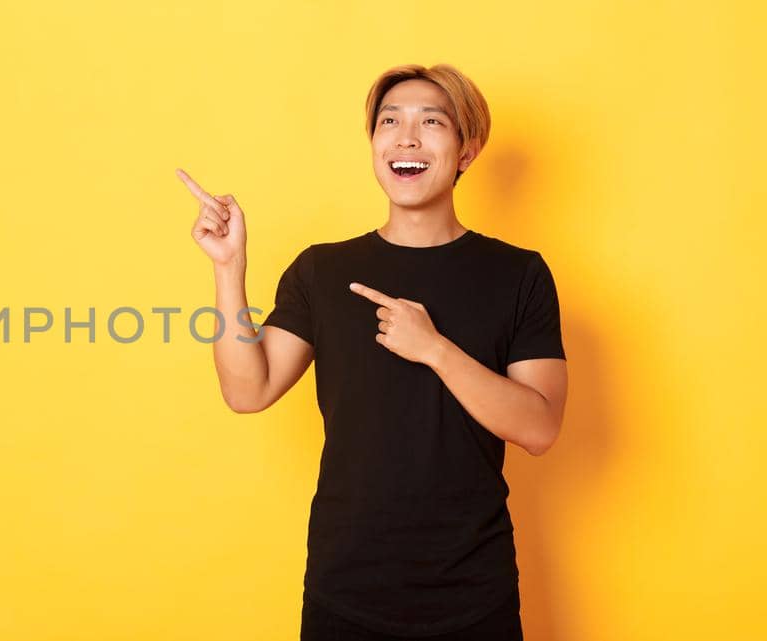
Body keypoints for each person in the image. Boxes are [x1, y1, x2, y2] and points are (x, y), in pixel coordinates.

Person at [175, 63, 568, 640]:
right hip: (346, 589)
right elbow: (246, 390)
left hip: (473, 593)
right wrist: (229, 268)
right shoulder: (322, 270)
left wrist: (435, 349)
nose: (406, 136)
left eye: (431, 122)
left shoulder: (518, 274)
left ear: (466, 151)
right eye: (391, 121)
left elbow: (540, 427)